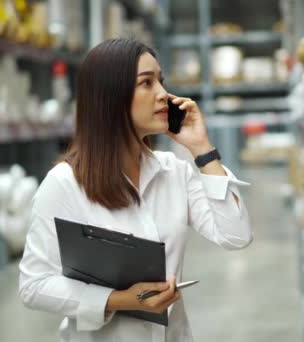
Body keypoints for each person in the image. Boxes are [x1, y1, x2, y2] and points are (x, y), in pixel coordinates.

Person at [18, 38, 253, 341]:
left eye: (161, 81)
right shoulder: (65, 183)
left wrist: (202, 149)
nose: (163, 95)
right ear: (111, 96)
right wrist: (120, 300)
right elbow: (34, 285)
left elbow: (236, 236)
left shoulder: (174, 172)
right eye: (147, 83)